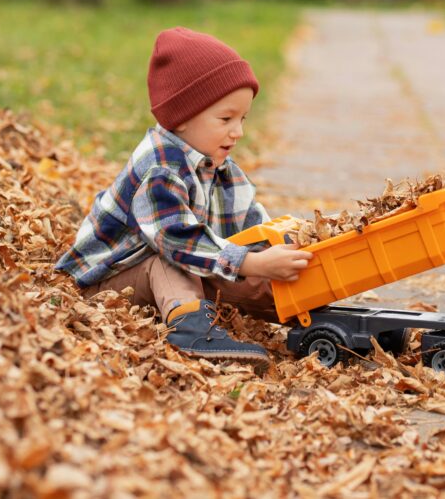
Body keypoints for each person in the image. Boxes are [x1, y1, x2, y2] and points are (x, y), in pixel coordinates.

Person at [55, 27, 311, 364]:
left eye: (243, 118)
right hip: (110, 281)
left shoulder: (220, 165)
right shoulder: (159, 167)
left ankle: (314, 317)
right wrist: (253, 262)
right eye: (226, 118)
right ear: (183, 116)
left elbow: (251, 228)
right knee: (174, 260)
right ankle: (191, 332)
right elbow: (176, 240)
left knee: (246, 268)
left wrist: (282, 251)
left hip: (186, 269)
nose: (238, 131)